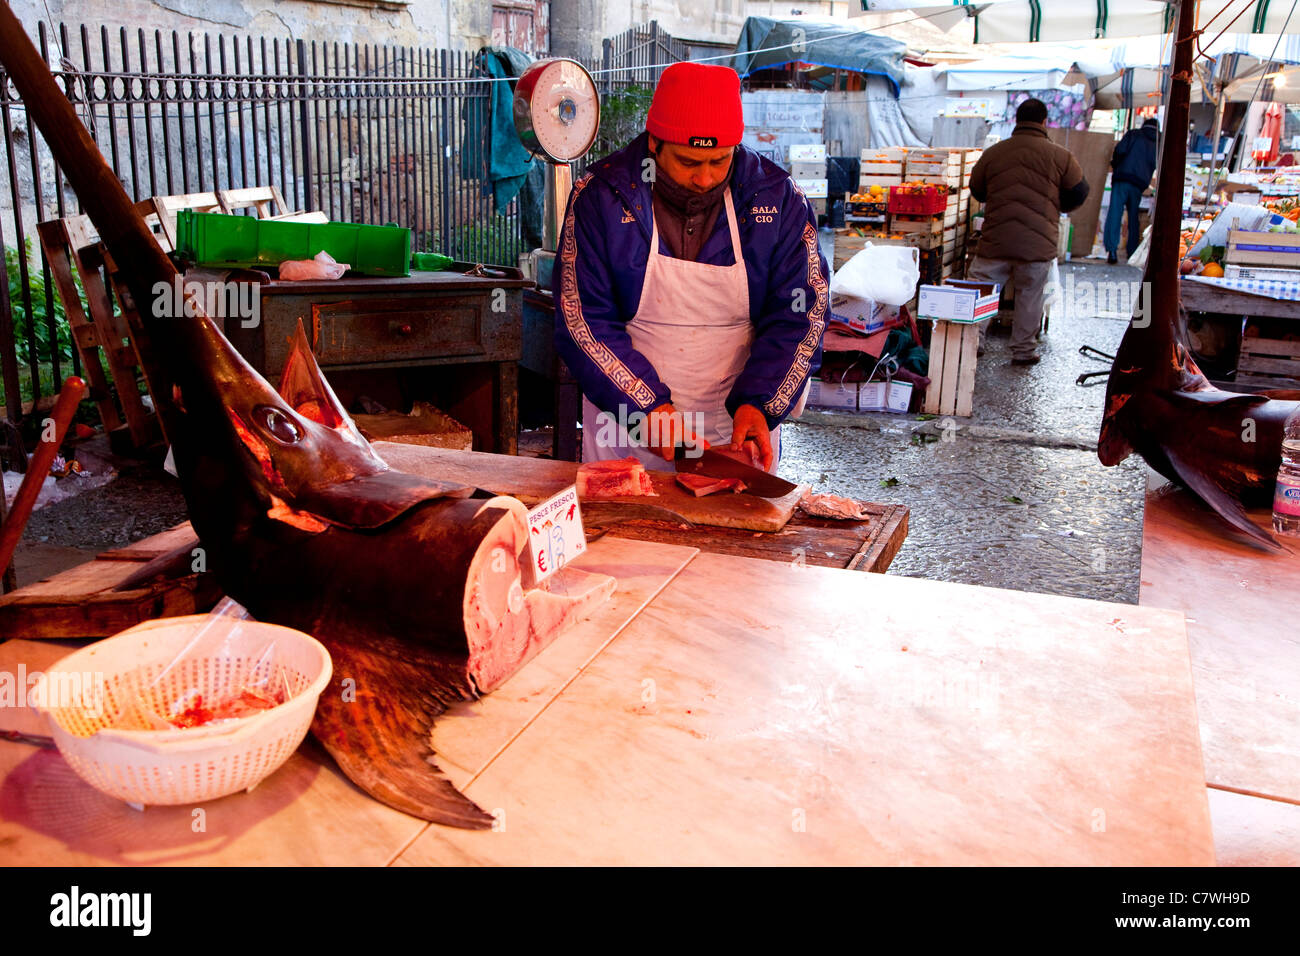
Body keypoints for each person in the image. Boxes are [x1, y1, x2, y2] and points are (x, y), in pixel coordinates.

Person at [554, 61, 828, 473]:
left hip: (736, 432)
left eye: (719, 162)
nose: (704, 178)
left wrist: (761, 403)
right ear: (654, 145)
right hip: (627, 426)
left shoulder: (779, 199)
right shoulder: (602, 197)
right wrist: (643, 406)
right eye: (688, 162)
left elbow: (802, 314)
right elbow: (583, 318)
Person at [967, 98, 1090, 366]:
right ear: (1044, 122)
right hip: (1037, 243)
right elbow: (1079, 191)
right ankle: (1023, 350)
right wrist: (1058, 205)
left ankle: (973, 342)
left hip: (996, 239)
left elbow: (976, 188)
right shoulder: (1061, 156)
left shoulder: (994, 153)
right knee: (1030, 295)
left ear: (1017, 120)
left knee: (982, 289)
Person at [1105, 118, 1159, 264]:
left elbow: (1120, 150)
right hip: (1139, 183)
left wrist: (1115, 165)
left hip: (1122, 178)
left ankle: (1112, 251)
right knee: (1134, 217)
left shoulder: (1134, 134)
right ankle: (1132, 252)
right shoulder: (1158, 143)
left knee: (1115, 213)